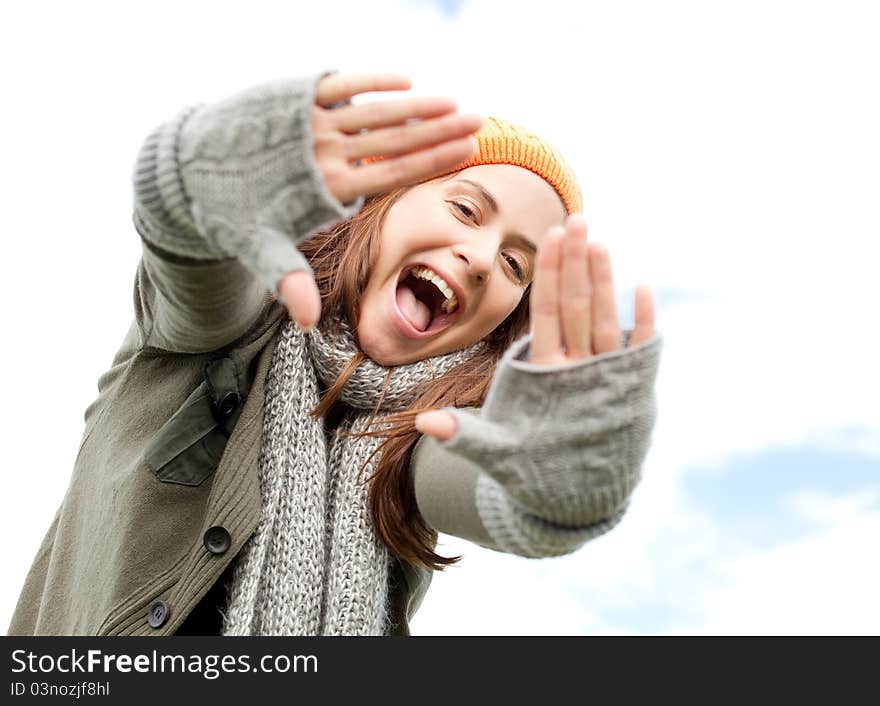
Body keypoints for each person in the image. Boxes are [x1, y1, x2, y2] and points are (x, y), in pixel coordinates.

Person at [8, 70, 663, 637]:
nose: (483, 258)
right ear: (380, 206)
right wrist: (194, 187)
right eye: (466, 209)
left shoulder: (423, 438)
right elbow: (195, 263)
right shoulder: (221, 327)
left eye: (517, 263)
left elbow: (491, 489)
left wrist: (560, 488)